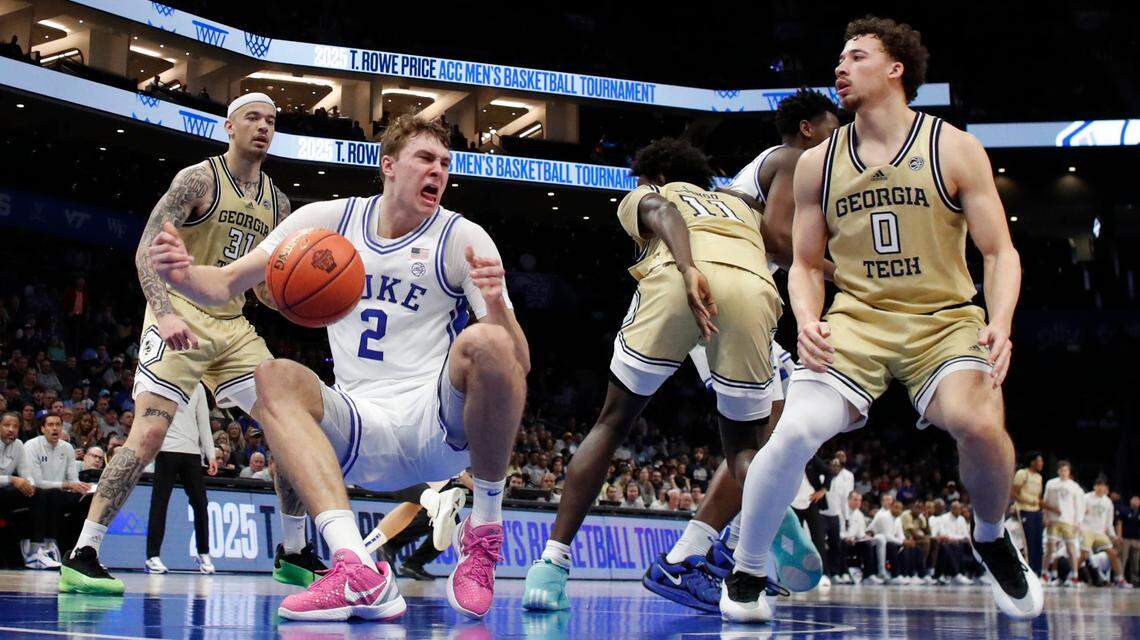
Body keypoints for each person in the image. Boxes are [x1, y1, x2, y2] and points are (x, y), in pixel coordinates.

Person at [148, 113, 529, 621]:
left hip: (437, 427)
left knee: (487, 340)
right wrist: (181, 272)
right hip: (358, 425)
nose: (437, 171)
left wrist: (497, 307)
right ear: (388, 165)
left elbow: (518, 365)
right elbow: (224, 284)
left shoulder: (465, 238)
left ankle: (483, 530)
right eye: (424, 159)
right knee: (273, 374)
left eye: (444, 163)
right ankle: (355, 567)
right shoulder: (328, 220)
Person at [722, 16, 1040, 622]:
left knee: (980, 425)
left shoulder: (953, 147)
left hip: (942, 322)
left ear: (896, 69)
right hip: (858, 323)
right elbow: (807, 264)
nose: (840, 67)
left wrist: (1000, 321)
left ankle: (994, 536)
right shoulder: (818, 162)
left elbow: (999, 252)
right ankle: (747, 571)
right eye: (839, 57)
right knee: (790, 433)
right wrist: (809, 318)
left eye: (857, 56)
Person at [58, 93, 325, 596]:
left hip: (232, 325)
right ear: (229, 125)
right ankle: (83, 553)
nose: (263, 127)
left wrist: (297, 301)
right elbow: (146, 249)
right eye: (253, 117)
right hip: (178, 314)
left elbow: (264, 287)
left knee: (290, 424)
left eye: (271, 121)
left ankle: (293, 553)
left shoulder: (277, 203)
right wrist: (163, 313)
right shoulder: (198, 179)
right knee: (149, 436)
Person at [523, 137, 784, 612]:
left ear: (655, 175)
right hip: (752, 292)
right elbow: (785, 247)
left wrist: (688, 268)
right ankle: (749, 569)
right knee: (746, 451)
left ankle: (551, 564)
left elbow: (663, 212)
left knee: (612, 422)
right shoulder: (741, 204)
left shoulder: (651, 192)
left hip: (678, 281)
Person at [145, 384, 217, 575]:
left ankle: (203, 552)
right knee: (159, 504)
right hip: (165, 450)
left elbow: (203, 423)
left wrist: (210, 454)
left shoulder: (199, 388)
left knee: (201, 504)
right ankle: (152, 556)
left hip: (192, 453)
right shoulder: (163, 382)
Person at [25, 413, 90, 569]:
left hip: (60, 493)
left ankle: (79, 552)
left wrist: (82, 487)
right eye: (50, 425)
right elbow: (37, 482)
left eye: (58, 425)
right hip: (36, 494)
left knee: (87, 500)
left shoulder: (67, 447)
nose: (55, 428)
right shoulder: (31, 446)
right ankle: (45, 549)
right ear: (42, 428)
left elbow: (73, 478)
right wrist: (67, 485)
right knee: (52, 494)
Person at [1080, 476, 1131, 588]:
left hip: (1100, 533)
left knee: (1112, 553)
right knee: (1083, 554)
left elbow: (1108, 523)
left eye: (1103, 487)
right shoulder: (1086, 498)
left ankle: (1120, 579)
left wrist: (1114, 536)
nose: (1101, 489)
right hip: (1086, 530)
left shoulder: (1108, 502)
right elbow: (1078, 513)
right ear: (1095, 487)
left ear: (1105, 488)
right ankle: (1072, 574)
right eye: (1099, 486)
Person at [1042, 461, 1083, 587]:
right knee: (1050, 548)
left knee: (1071, 550)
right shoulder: (1051, 483)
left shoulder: (1074, 486)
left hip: (1068, 521)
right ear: (1058, 471)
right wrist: (1045, 516)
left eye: (1066, 470)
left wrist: (1078, 522)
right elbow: (1045, 501)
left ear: (1069, 472)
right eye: (1061, 470)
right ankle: (1044, 574)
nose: (1064, 472)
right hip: (1054, 521)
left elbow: (1079, 505)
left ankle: (1075, 576)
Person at [1011, 452, 1045, 574]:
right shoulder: (1022, 474)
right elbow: (1014, 492)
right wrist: (1029, 500)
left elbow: (1039, 497)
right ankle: (1028, 570)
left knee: (1038, 541)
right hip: (1024, 510)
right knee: (1028, 541)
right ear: (1032, 462)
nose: (1041, 463)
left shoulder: (1039, 477)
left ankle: (1038, 571)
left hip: (1036, 512)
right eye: (1039, 461)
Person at [1118, 496, 1140, 585]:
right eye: (1134, 500)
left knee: (1136, 560)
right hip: (1125, 538)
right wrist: (1119, 535)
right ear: (1130, 501)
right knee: (1123, 558)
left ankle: (1135, 579)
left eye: (1137, 500)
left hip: (1137, 540)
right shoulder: (1125, 510)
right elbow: (1119, 523)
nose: (1135, 502)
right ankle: (1120, 578)